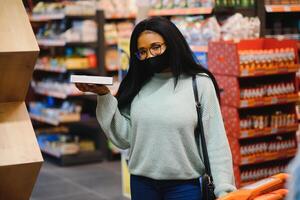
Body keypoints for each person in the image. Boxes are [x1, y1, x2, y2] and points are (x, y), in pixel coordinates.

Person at [76, 16, 236, 200]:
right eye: (142, 51)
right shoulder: (138, 84)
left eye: (155, 47)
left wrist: (225, 191)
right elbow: (124, 138)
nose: (150, 56)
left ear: (172, 43)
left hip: (184, 188)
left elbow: (215, 141)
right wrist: (104, 96)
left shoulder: (199, 83)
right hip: (142, 185)